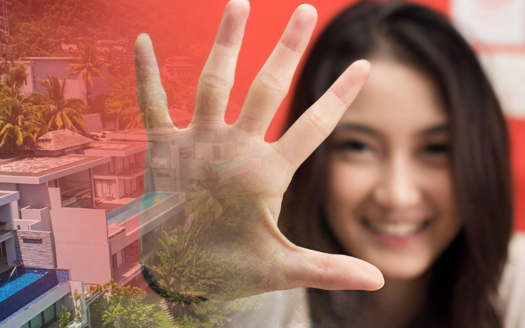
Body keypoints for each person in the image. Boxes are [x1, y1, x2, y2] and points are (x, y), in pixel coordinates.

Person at [133, 0, 525, 327]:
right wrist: (196, 287)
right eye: (358, 146)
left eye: (436, 149)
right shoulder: (265, 301)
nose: (398, 194)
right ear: (314, 161)